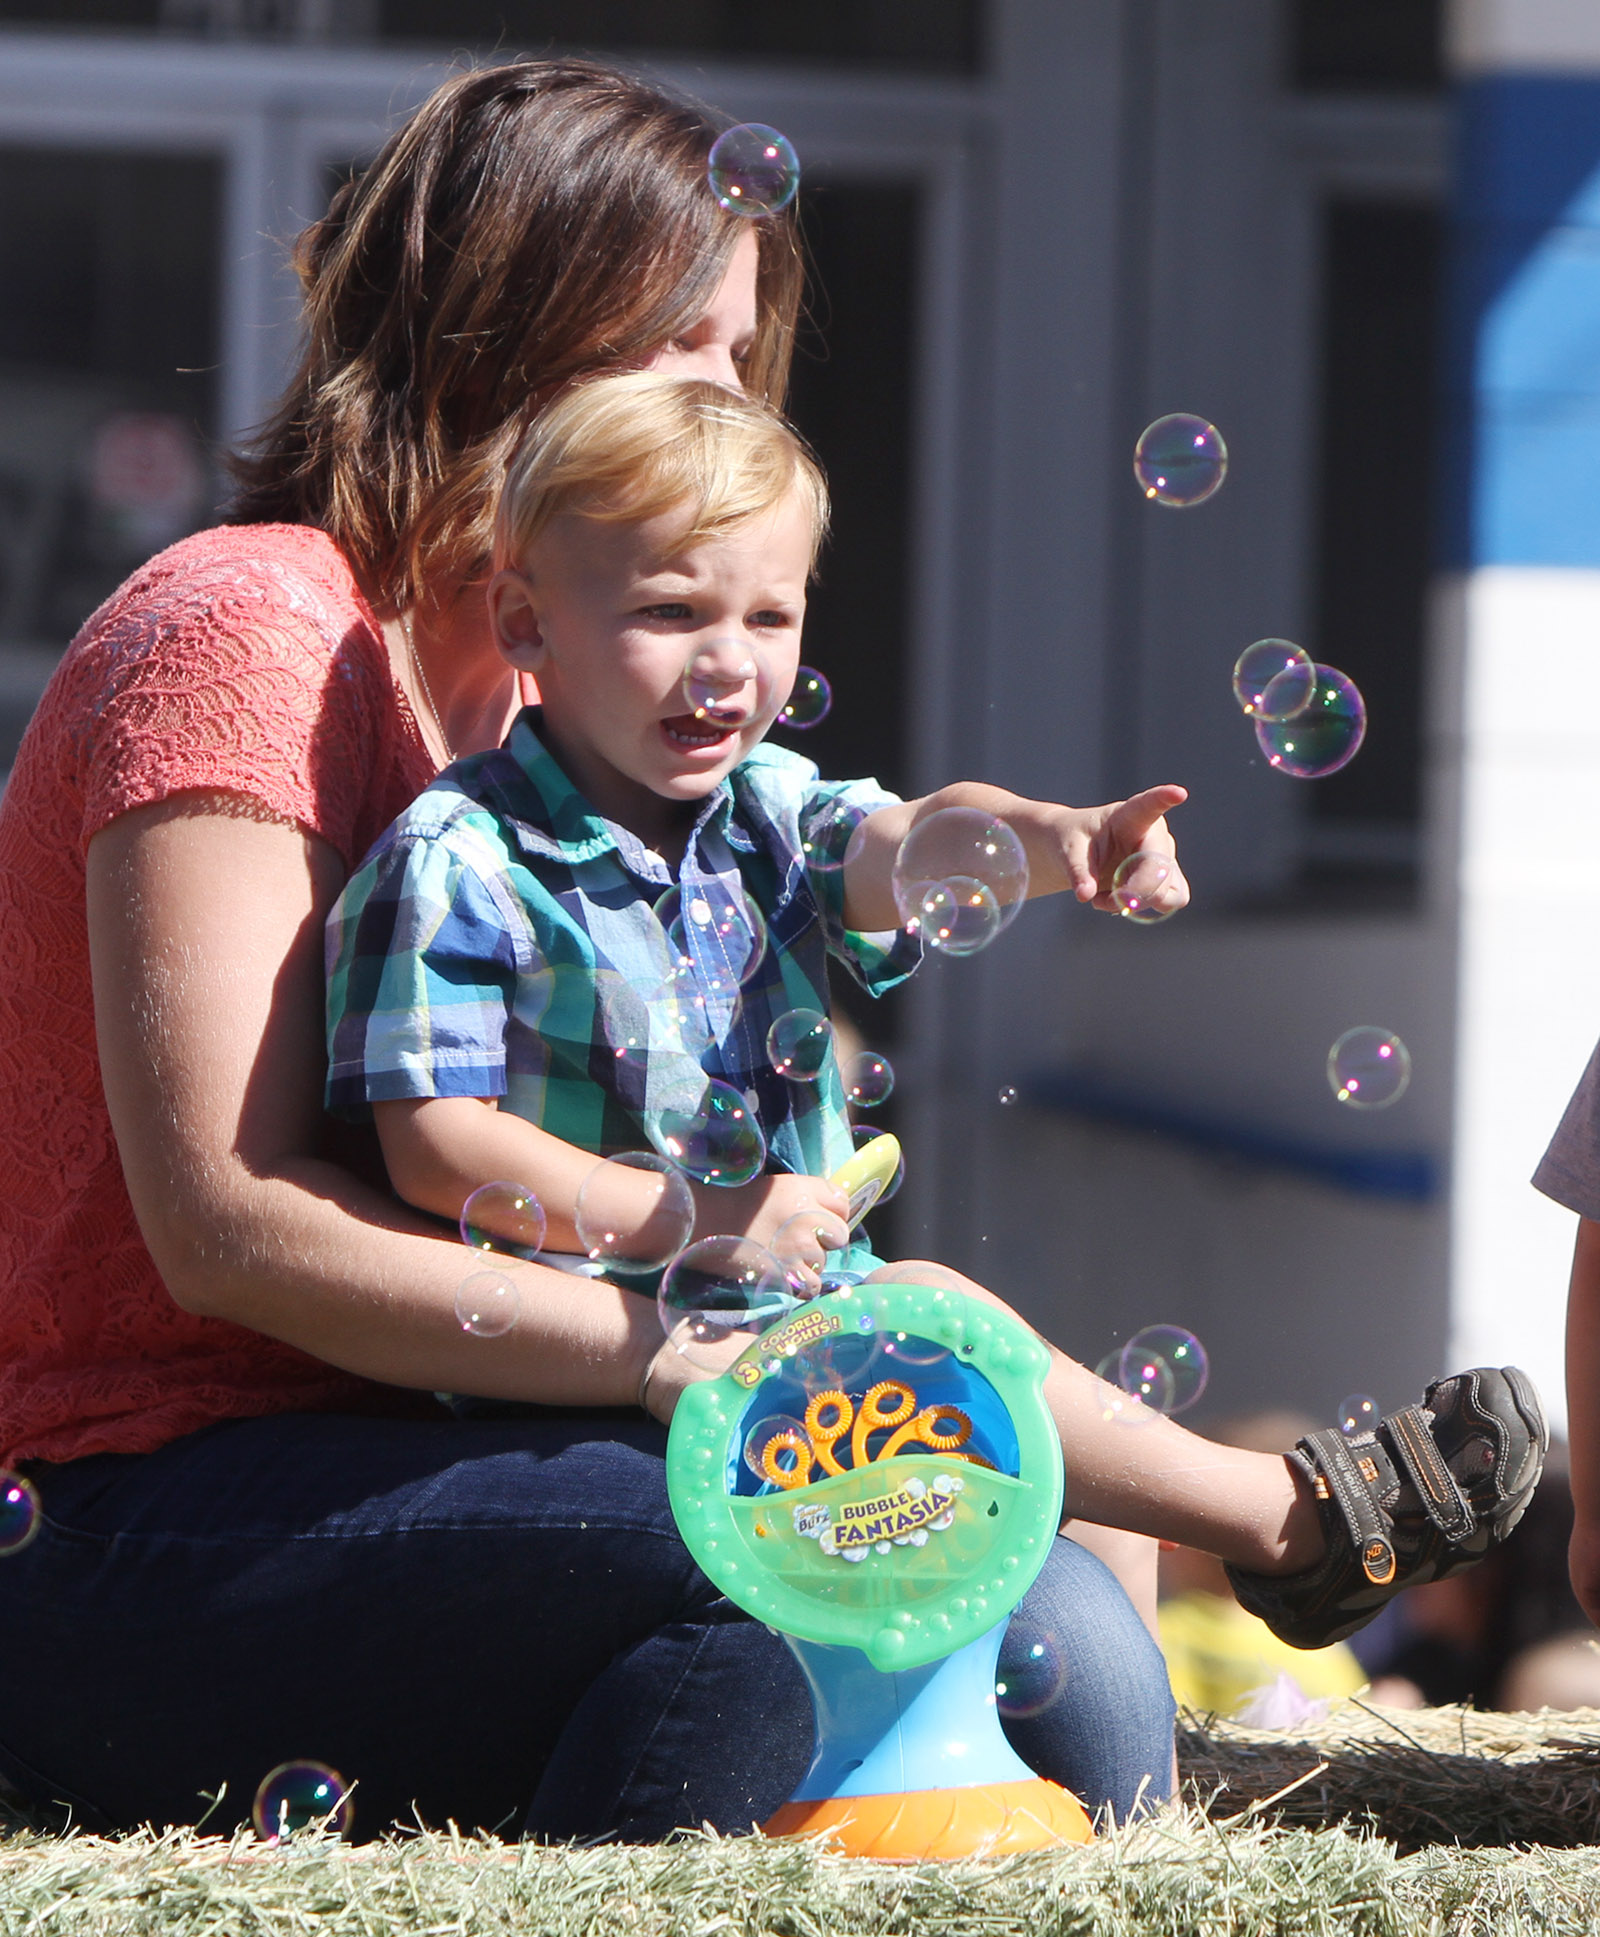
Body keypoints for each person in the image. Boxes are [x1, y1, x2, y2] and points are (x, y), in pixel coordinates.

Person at [0, 56, 1185, 1842]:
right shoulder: (245, 630)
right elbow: (229, 1228)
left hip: (462, 1436)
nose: (735, 403)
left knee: (1062, 1639)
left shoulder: (583, 723)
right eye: (679, 348)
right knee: (792, 1562)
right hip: (146, 1497)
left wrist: (1037, 848)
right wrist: (660, 1349)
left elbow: (857, 845)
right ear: (498, 332)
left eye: (741, 352)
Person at [323, 366, 1548, 1790]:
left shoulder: (764, 808)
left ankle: (1140, 1810)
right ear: (527, 617)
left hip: (781, 1342)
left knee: (1091, 1496)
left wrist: (1052, 839)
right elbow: (432, 1146)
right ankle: (1291, 1520)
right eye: (669, 612)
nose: (727, 661)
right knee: (943, 1317)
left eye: (767, 616)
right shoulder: (459, 859)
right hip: (579, 1369)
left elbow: (906, 844)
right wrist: (700, 1220)